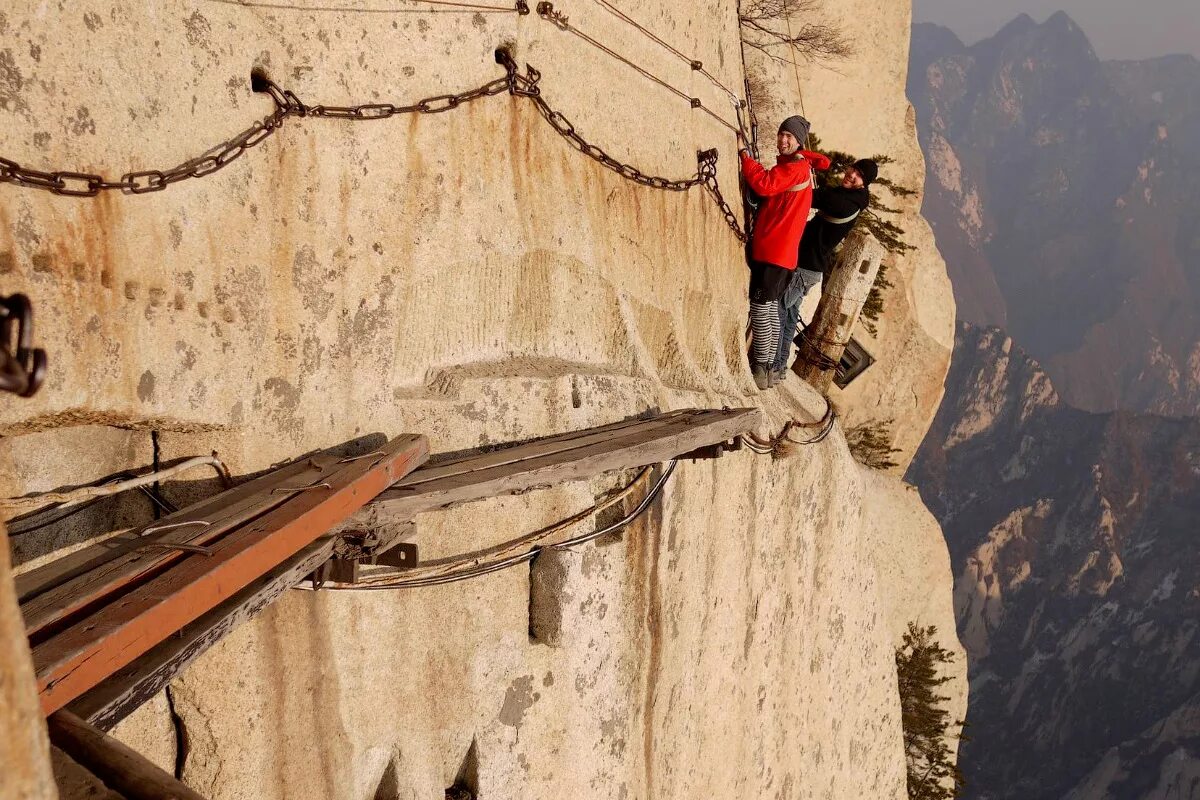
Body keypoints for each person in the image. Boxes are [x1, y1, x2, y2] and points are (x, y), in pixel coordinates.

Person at [738, 116, 831, 390]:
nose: (783, 140)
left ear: (799, 141)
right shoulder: (802, 165)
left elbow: (764, 184)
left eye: (789, 136)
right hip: (785, 256)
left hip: (774, 252)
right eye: (781, 134)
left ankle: (761, 366)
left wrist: (744, 157)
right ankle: (769, 368)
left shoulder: (795, 168)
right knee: (771, 310)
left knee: (760, 308)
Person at [771, 158, 878, 384]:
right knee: (790, 316)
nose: (852, 175)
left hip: (805, 267)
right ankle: (779, 367)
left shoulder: (846, 203)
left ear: (864, 183)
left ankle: (770, 364)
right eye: (853, 169)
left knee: (779, 308)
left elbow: (813, 197)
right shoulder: (848, 197)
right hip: (811, 268)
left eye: (859, 175)